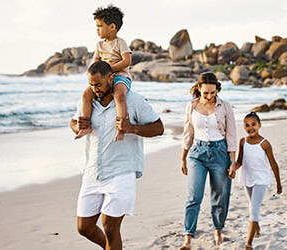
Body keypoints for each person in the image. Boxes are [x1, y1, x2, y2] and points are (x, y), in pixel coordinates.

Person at [70, 61, 164, 250]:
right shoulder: (88, 102)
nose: (95, 89)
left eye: (99, 84)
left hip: (122, 171)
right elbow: (73, 122)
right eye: (91, 85)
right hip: (93, 172)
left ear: (111, 79)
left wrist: (133, 128)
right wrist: (77, 126)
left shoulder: (134, 100)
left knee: (111, 228)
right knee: (84, 227)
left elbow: (159, 128)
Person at [179, 72, 236, 249]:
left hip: (220, 153)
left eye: (213, 93)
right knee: (193, 197)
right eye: (206, 93)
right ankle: (188, 236)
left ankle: (218, 230)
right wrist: (183, 157)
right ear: (199, 89)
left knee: (220, 196)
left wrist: (233, 161)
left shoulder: (225, 106)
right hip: (197, 153)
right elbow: (188, 133)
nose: (210, 96)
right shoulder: (191, 106)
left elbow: (232, 135)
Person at [75, 5, 132, 142]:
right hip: (104, 78)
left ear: (112, 27)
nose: (97, 30)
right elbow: (95, 62)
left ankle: (121, 128)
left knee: (119, 95)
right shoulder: (99, 45)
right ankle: (85, 126)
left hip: (120, 77)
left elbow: (127, 61)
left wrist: (109, 68)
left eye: (100, 26)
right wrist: (97, 70)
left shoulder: (120, 43)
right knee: (86, 94)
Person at [228, 112, 283, 250]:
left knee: (253, 209)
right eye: (247, 125)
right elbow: (240, 162)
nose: (250, 127)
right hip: (247, 177)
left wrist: (278, 182)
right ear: (243, 127)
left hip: (261, 179)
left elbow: (273, 164)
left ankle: (249, 243)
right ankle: (256, 225)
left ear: (259, 125)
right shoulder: (242, 142)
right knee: (252, 205)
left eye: (253, 124)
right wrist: (233, 168)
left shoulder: (265, 144)